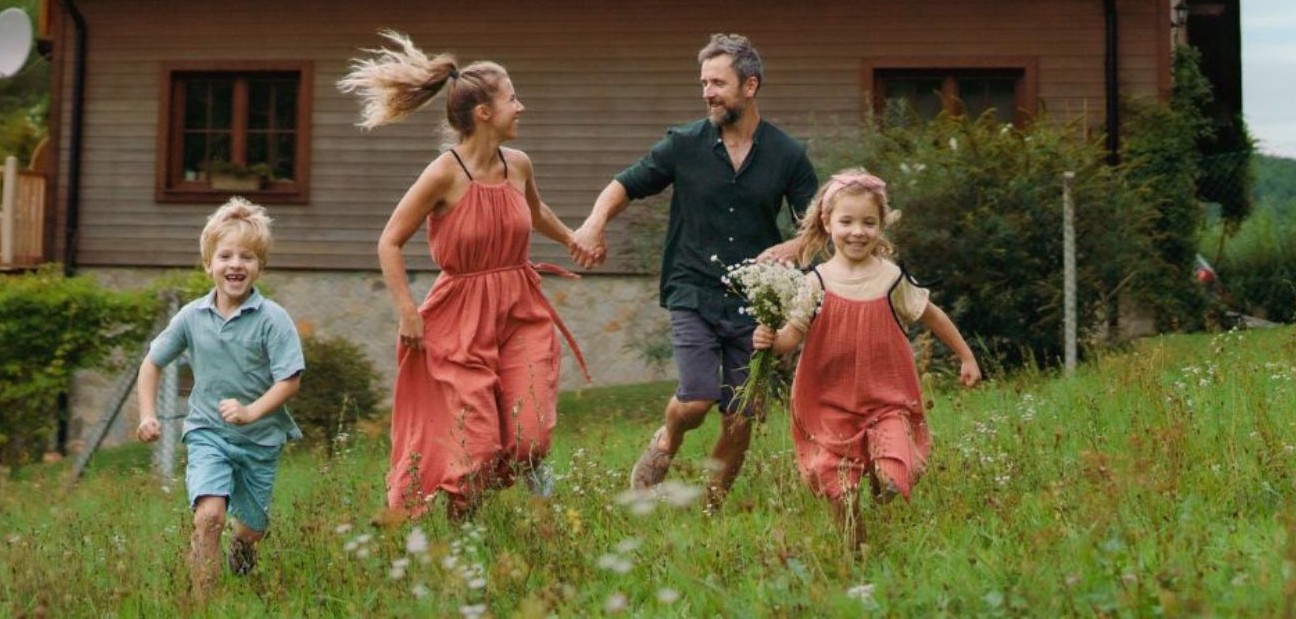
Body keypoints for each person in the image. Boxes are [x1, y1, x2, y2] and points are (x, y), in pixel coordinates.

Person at [339, 31, 591, 517]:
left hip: (521, 308)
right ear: (483, 113)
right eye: (512, 99)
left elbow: (535, 213)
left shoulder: (518, 164)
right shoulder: (443, 174)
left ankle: (500, 488)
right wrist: (408, 312)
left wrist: (573, 239)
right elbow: (389, 241)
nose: (521, 107)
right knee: (474, 450)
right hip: (460, 319)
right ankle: (461, 534)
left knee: (530, 437)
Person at [572, 33, 818, 507]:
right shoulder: (683, 144)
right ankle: (667, 438)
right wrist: (593, 225)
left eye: (718, 83)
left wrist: (795, 245)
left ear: (750, 86)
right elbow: (626, 183)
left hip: (757, 299)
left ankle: (712, 506)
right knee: (697, 400)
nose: (707, 92)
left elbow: (817, 225)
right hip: (693, 288)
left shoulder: (788, 155)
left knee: (741, 414)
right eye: (704, 82)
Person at [753, 169, 981, 550]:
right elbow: (789, 340)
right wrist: (769, 339)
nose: (857, 231)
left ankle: (885, 485)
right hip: (830, 398)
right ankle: (855, 548)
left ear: (881, 226)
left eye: (868, 223)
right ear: (827, 223)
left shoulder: (891, 278)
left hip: (886, 394)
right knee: (839, 486)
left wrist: (967, 357)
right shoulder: (815, 282)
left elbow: (932, 314)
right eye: (846, 221)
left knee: (892, 467)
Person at [136, 198, 305, 592]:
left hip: (260, 440)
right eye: (225, 255)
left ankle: (242, 553)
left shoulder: (273, 319)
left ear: (260, 266)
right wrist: (147, 414)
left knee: (251, 530)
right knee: (209, 516)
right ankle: (202, 601)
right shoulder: (191, 317)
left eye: (247, 257)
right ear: (208, 264)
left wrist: (250, 412)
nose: (235, 264)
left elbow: (290, 380)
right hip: (207, 433)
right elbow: (152, 363)